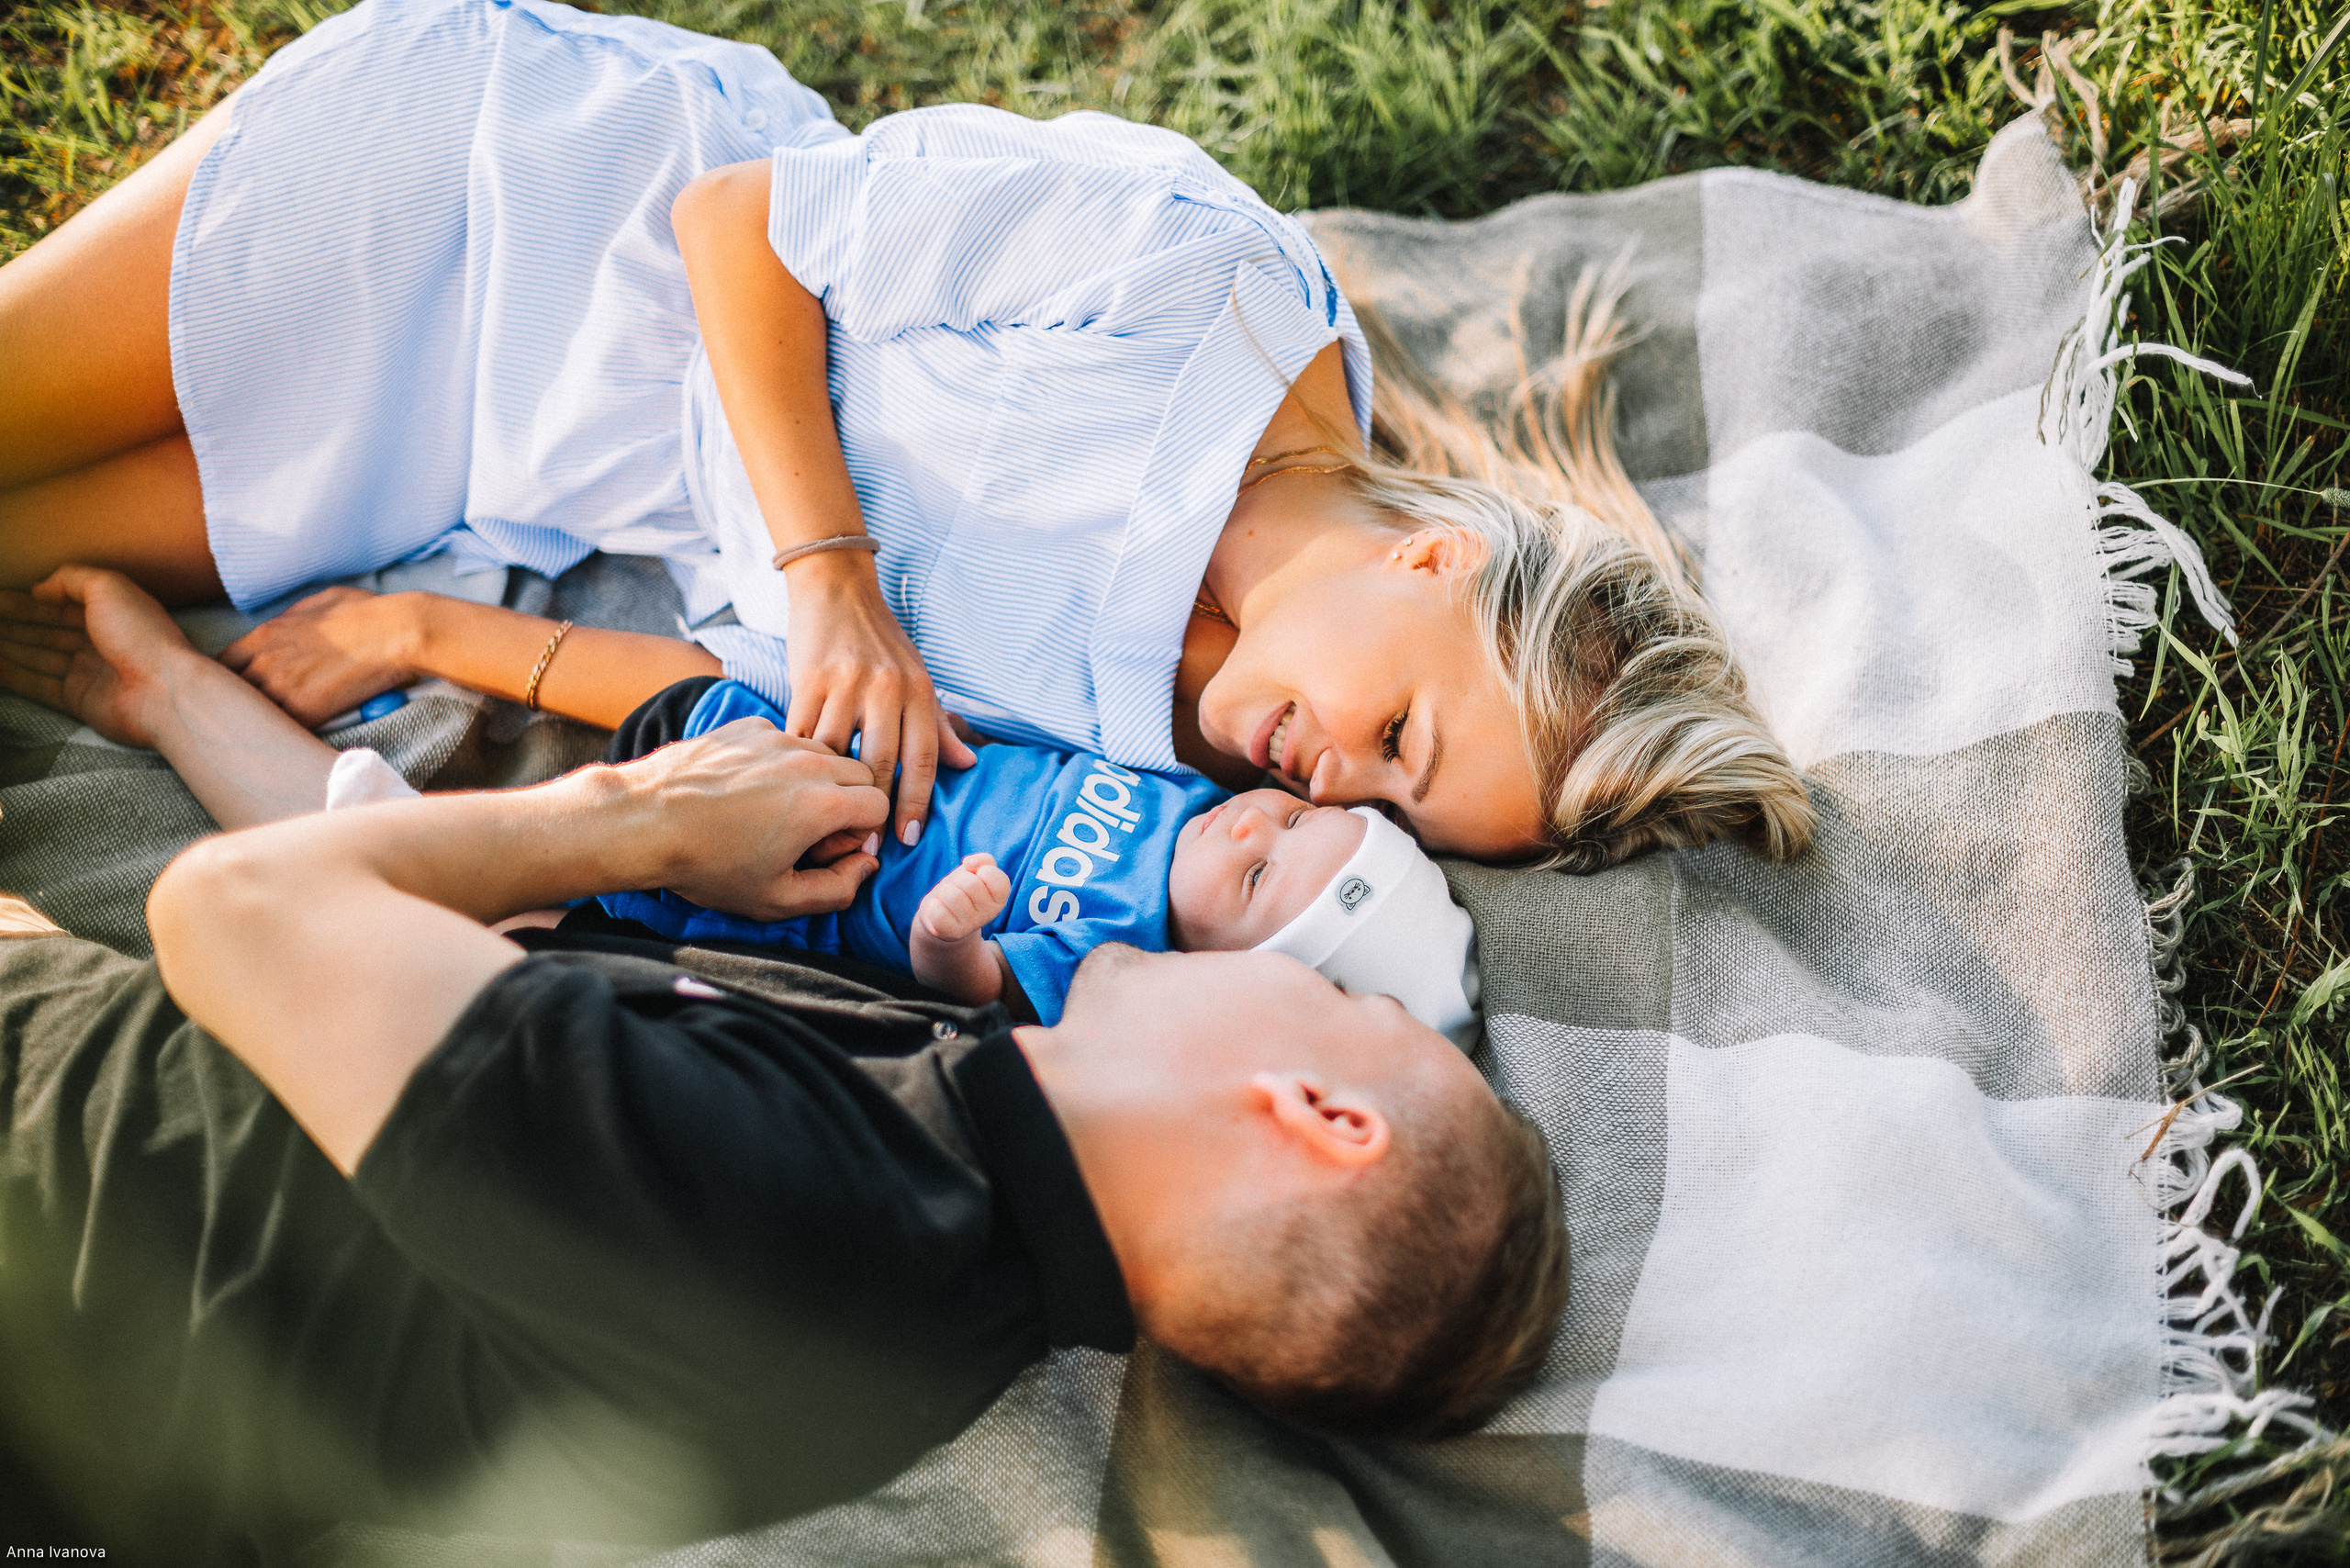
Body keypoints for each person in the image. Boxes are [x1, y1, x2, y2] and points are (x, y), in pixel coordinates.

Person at [0, 0, 1813, 872]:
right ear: (1437, 554)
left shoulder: (1160, 754)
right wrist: (832, 574)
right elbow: (740, 226)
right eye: (1400, 734)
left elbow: (751, 708)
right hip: (503, 202)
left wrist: (423, 634)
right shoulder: (1199, 286)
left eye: (1397, 811)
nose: (1335, 785)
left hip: (479, 472)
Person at [0, 565, 1570, 1563]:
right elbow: (483, 955)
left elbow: (233, 912)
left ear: (1320, 1111)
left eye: (1346, 1006)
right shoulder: (962, 1155)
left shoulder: (806, 1222)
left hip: (52, 1166)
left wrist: (647, 816)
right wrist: (176, 695)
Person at [390, 675, 1478, 1038]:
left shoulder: (1125, 957)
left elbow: (980, 984)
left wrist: (948, 933)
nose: (1250, 828)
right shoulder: (1198, 795)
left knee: (618, 891)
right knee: (679, 735)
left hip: (820, 877)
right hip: (825, 752)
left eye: (1254, 879)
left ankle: (422, 853)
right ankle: (460, 831)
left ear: (1233, 974)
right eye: (1283, 821)